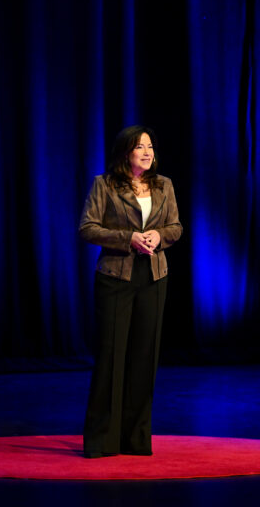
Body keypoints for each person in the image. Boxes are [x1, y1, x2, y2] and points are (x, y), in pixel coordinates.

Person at [78, 125, 182, 458]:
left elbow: (176, 227)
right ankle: (102, 441)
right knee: (111, 357)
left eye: (150, 146)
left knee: (143, 358)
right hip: (115, 278)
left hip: (154, 276)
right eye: (140, 147)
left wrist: (159, 236)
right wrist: (128, 239)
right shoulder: (105, 184)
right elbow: (88, 228)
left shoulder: (164, 185)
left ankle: (135, 439)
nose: (147, 152)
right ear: (126, 152)